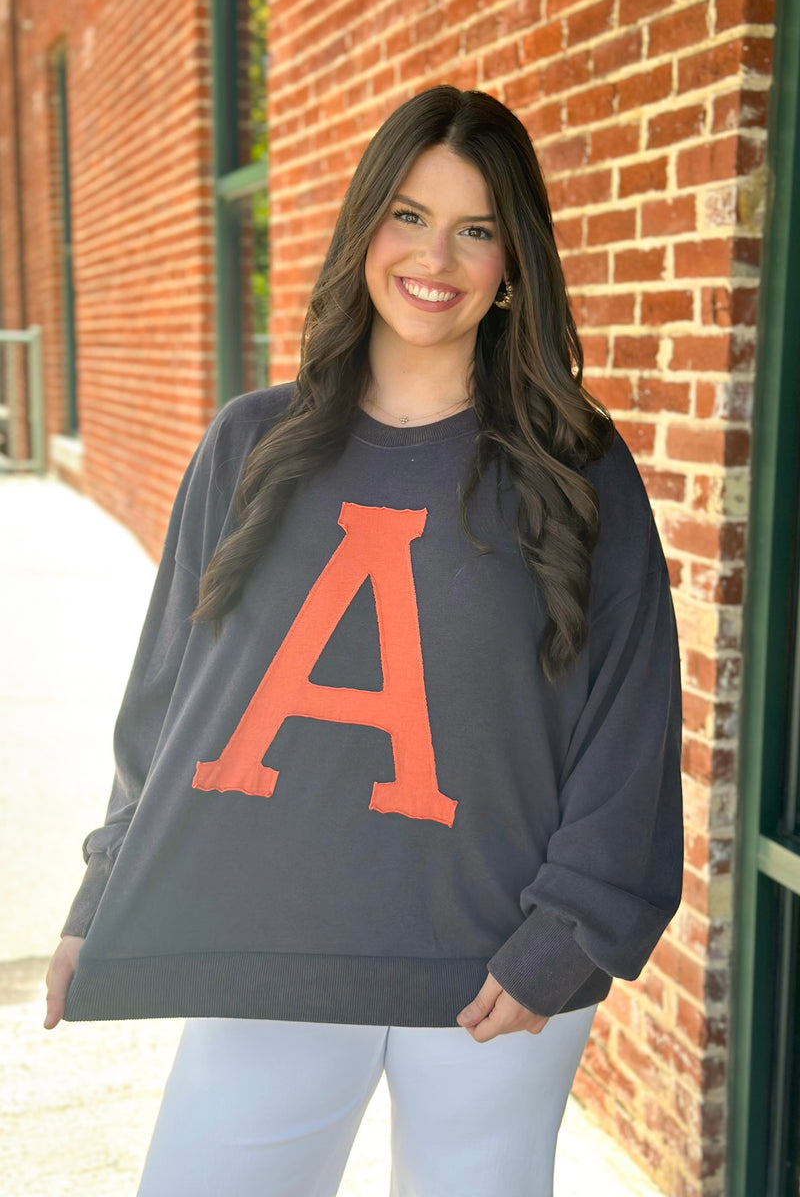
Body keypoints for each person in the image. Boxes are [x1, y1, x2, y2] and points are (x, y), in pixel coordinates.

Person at [44, 85, 684, 1197]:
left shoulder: (571, 467)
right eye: (406, 214)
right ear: (361, 231)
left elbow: (629, 710)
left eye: (474, 228)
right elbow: (169, 699)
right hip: (269, 940)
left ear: (512, 261)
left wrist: (571, 932)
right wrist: (104, 896)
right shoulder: (251, 444)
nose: (434, 256)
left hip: (492, 973)